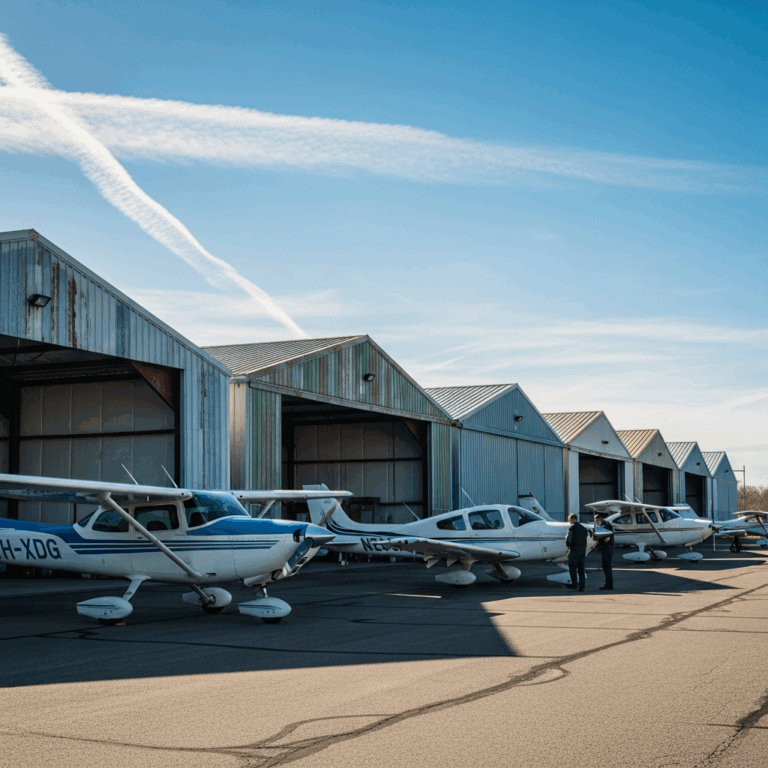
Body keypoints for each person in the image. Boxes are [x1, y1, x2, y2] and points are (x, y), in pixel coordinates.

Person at [565, 513, 588, 591]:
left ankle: (574, 585)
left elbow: (568, 539)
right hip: (582, 550)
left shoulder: (572, 528)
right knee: (581, 569)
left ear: (572, 519)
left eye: (569, 520)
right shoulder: (584, 528)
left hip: (574, 550)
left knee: (572, 568)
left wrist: (568, 546)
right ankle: (582, 586)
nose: (569, 521)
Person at [593, 512, 615, 591]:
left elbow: (606, 537)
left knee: (606, 566)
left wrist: (596, 536)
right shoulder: (603, 525)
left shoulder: (606, 525)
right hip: (605, 548)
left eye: (597, 520)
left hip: (607, 548)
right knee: (606, 566)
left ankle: (609, 585)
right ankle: (608, 584)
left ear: (600, 519)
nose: (596, 522)